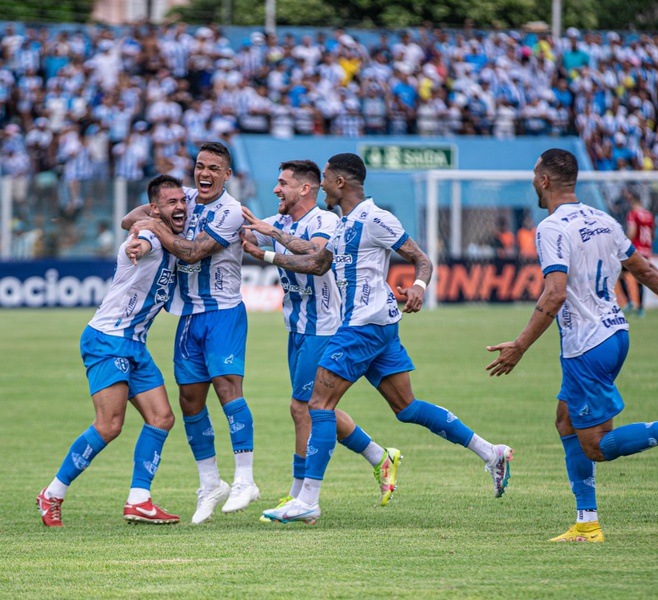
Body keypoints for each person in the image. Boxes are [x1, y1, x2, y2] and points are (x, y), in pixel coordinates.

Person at [243, 153, 513, 524]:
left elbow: (421, 259)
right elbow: (317, 263)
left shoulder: (375, 218)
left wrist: (419, 286)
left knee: (318, 407)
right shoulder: (344, 224)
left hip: (361, 326)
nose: (321, 185)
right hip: (380, 326)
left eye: (325, 178)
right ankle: (491, 452)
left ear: (340, 182)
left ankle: (308, 499)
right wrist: (267, 253)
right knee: (407, 408)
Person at [485, 149, 658, 543]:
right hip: (615, 333)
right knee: (565, 421)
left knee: (597, 446)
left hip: (586, 345)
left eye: (535, 175)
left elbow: (554, 295)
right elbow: (643, 269)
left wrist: (519, 346)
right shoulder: (603, 220)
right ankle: (586, 522)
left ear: (545, 181)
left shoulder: (552, 228)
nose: (533, 180)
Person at [242, 159, 402, 516]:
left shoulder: (326, 221)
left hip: (325, 325)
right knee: (315, 407)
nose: (275, 189)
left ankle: (299, 495)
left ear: (306, 188)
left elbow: (315, 255)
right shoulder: (279, 220)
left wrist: (266, 250)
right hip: (297, 327)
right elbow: (244, 230)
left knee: (303, 408)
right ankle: (380, 456)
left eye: (282, 183)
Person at [37, 174, 188, 527]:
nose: (180, 207)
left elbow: (136, 220)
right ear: (155, 208)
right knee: (109, 425)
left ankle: (139, 500)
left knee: (162, 418)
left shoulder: (171, 230)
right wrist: (139, 245)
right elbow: (142, 239)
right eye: (171, 202)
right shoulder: (149, 233)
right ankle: (52, 493)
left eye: (182, 200)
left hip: (134, 343)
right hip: (108, 339)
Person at [123, 141, 259, 524]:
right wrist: (148, 218)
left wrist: (154, 227)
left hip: (223, 313)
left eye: (214, 168)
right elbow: (128, 218)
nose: (205, 174)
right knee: (189, 401)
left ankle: (245, 479)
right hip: (188, 317)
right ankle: (210, 483)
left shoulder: (230, 211)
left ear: (228, 174)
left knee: (228, 388)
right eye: (200, 166)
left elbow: (193, 252)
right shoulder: (184, 197)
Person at [620, 193, 654, 316]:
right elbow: (652, 234)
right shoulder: (649, 215)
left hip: (635, 250)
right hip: (646, 250)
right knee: (641, 278)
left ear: (633, 202)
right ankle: (640, 308)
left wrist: (625, 245)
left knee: (620, 273)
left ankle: (629, 302)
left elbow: (632, 231)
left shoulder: (633, 214)